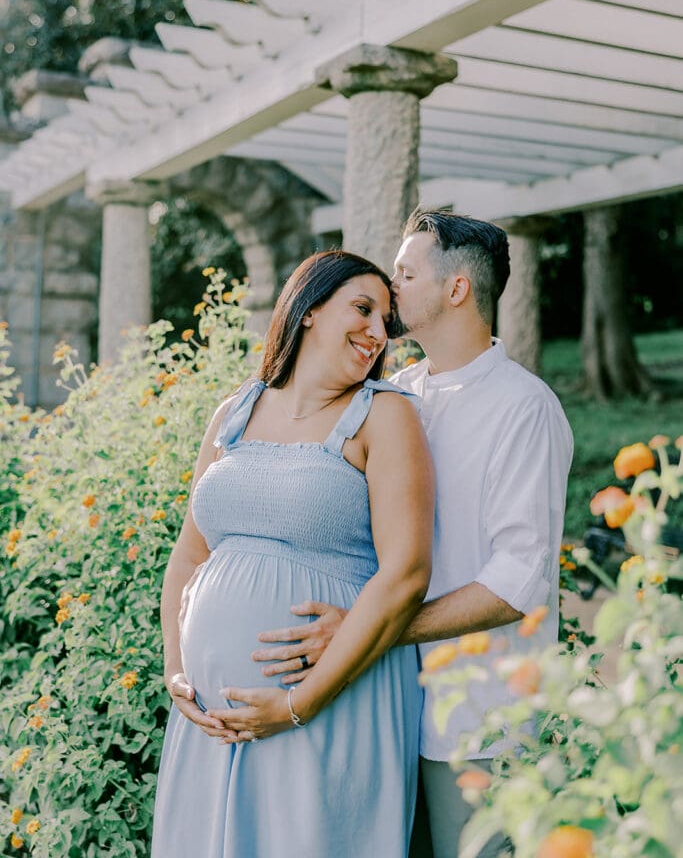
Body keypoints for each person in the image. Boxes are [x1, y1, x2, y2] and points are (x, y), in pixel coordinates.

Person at [253, 210, 573, 858]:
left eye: (403, 274)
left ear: (456, 288)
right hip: (374, 707)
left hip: (478, 720)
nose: (388, 290)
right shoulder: (392, 396)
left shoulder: (523, 407)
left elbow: (518, 582)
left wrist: (372, 624)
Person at [153, 250, 435, 858]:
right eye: (362, 308)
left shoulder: (384, 416)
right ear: (307, 309)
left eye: (386, 320)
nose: (376, 332)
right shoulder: (233, 412)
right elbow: (188, 555)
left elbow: (406, 574)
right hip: (209, 721)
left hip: (330, 701)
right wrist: (178, 669)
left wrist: (295, 705)